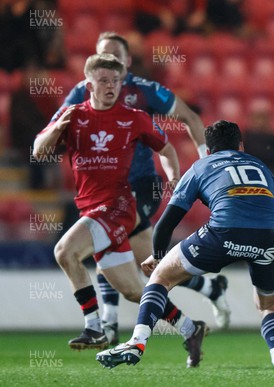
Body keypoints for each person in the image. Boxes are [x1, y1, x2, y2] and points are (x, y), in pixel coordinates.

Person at [33, 54, 208, 368]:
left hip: (118, 206)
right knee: (133, 291)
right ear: (89, 85)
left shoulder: (134, 117)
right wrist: (57, 127)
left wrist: (173, 177)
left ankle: (94, 327)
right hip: (90, 208)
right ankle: (190, 328)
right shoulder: (73, 116)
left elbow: (166, 148)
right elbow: (38, 149)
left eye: (115, 80)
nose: (111, 86)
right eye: (103, 81)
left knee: (65, 251)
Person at [96, 120, 274, 375]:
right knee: (270, 305)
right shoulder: (261, 166)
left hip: (224, 232)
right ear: (241, 146)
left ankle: (136, 342)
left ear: (208, 151)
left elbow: (165, 225)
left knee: (161, 278)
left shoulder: (200, 166)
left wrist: (158, 258)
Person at [60, 32, 230, 344]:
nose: (110, 61)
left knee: (105, 236)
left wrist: (207, 162)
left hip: (141, 186)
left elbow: (190, 117)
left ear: (127, 61)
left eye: (115, 55)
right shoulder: (81, 93)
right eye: (103, 56)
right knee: (149, 265)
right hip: (101, 192)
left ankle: (105, 324)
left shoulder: (144, 91)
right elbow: (58, 127)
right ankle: (206, 294)